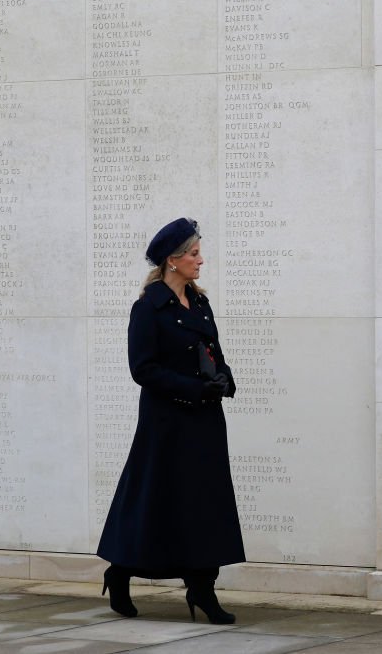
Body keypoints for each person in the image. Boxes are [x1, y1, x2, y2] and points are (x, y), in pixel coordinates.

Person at [97, 217, 245, 624]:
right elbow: (142, 369)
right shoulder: (148, 308)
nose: (202, 260)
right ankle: (121, 571)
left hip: (205, 421)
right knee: (159, 505)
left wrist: (224, 379)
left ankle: (202, 589)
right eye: (194, 254)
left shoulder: (200, 303)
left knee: (205, 504)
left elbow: (212, 351)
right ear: (173, 260)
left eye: (199, 252)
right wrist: (195, 389)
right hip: (167, 424)